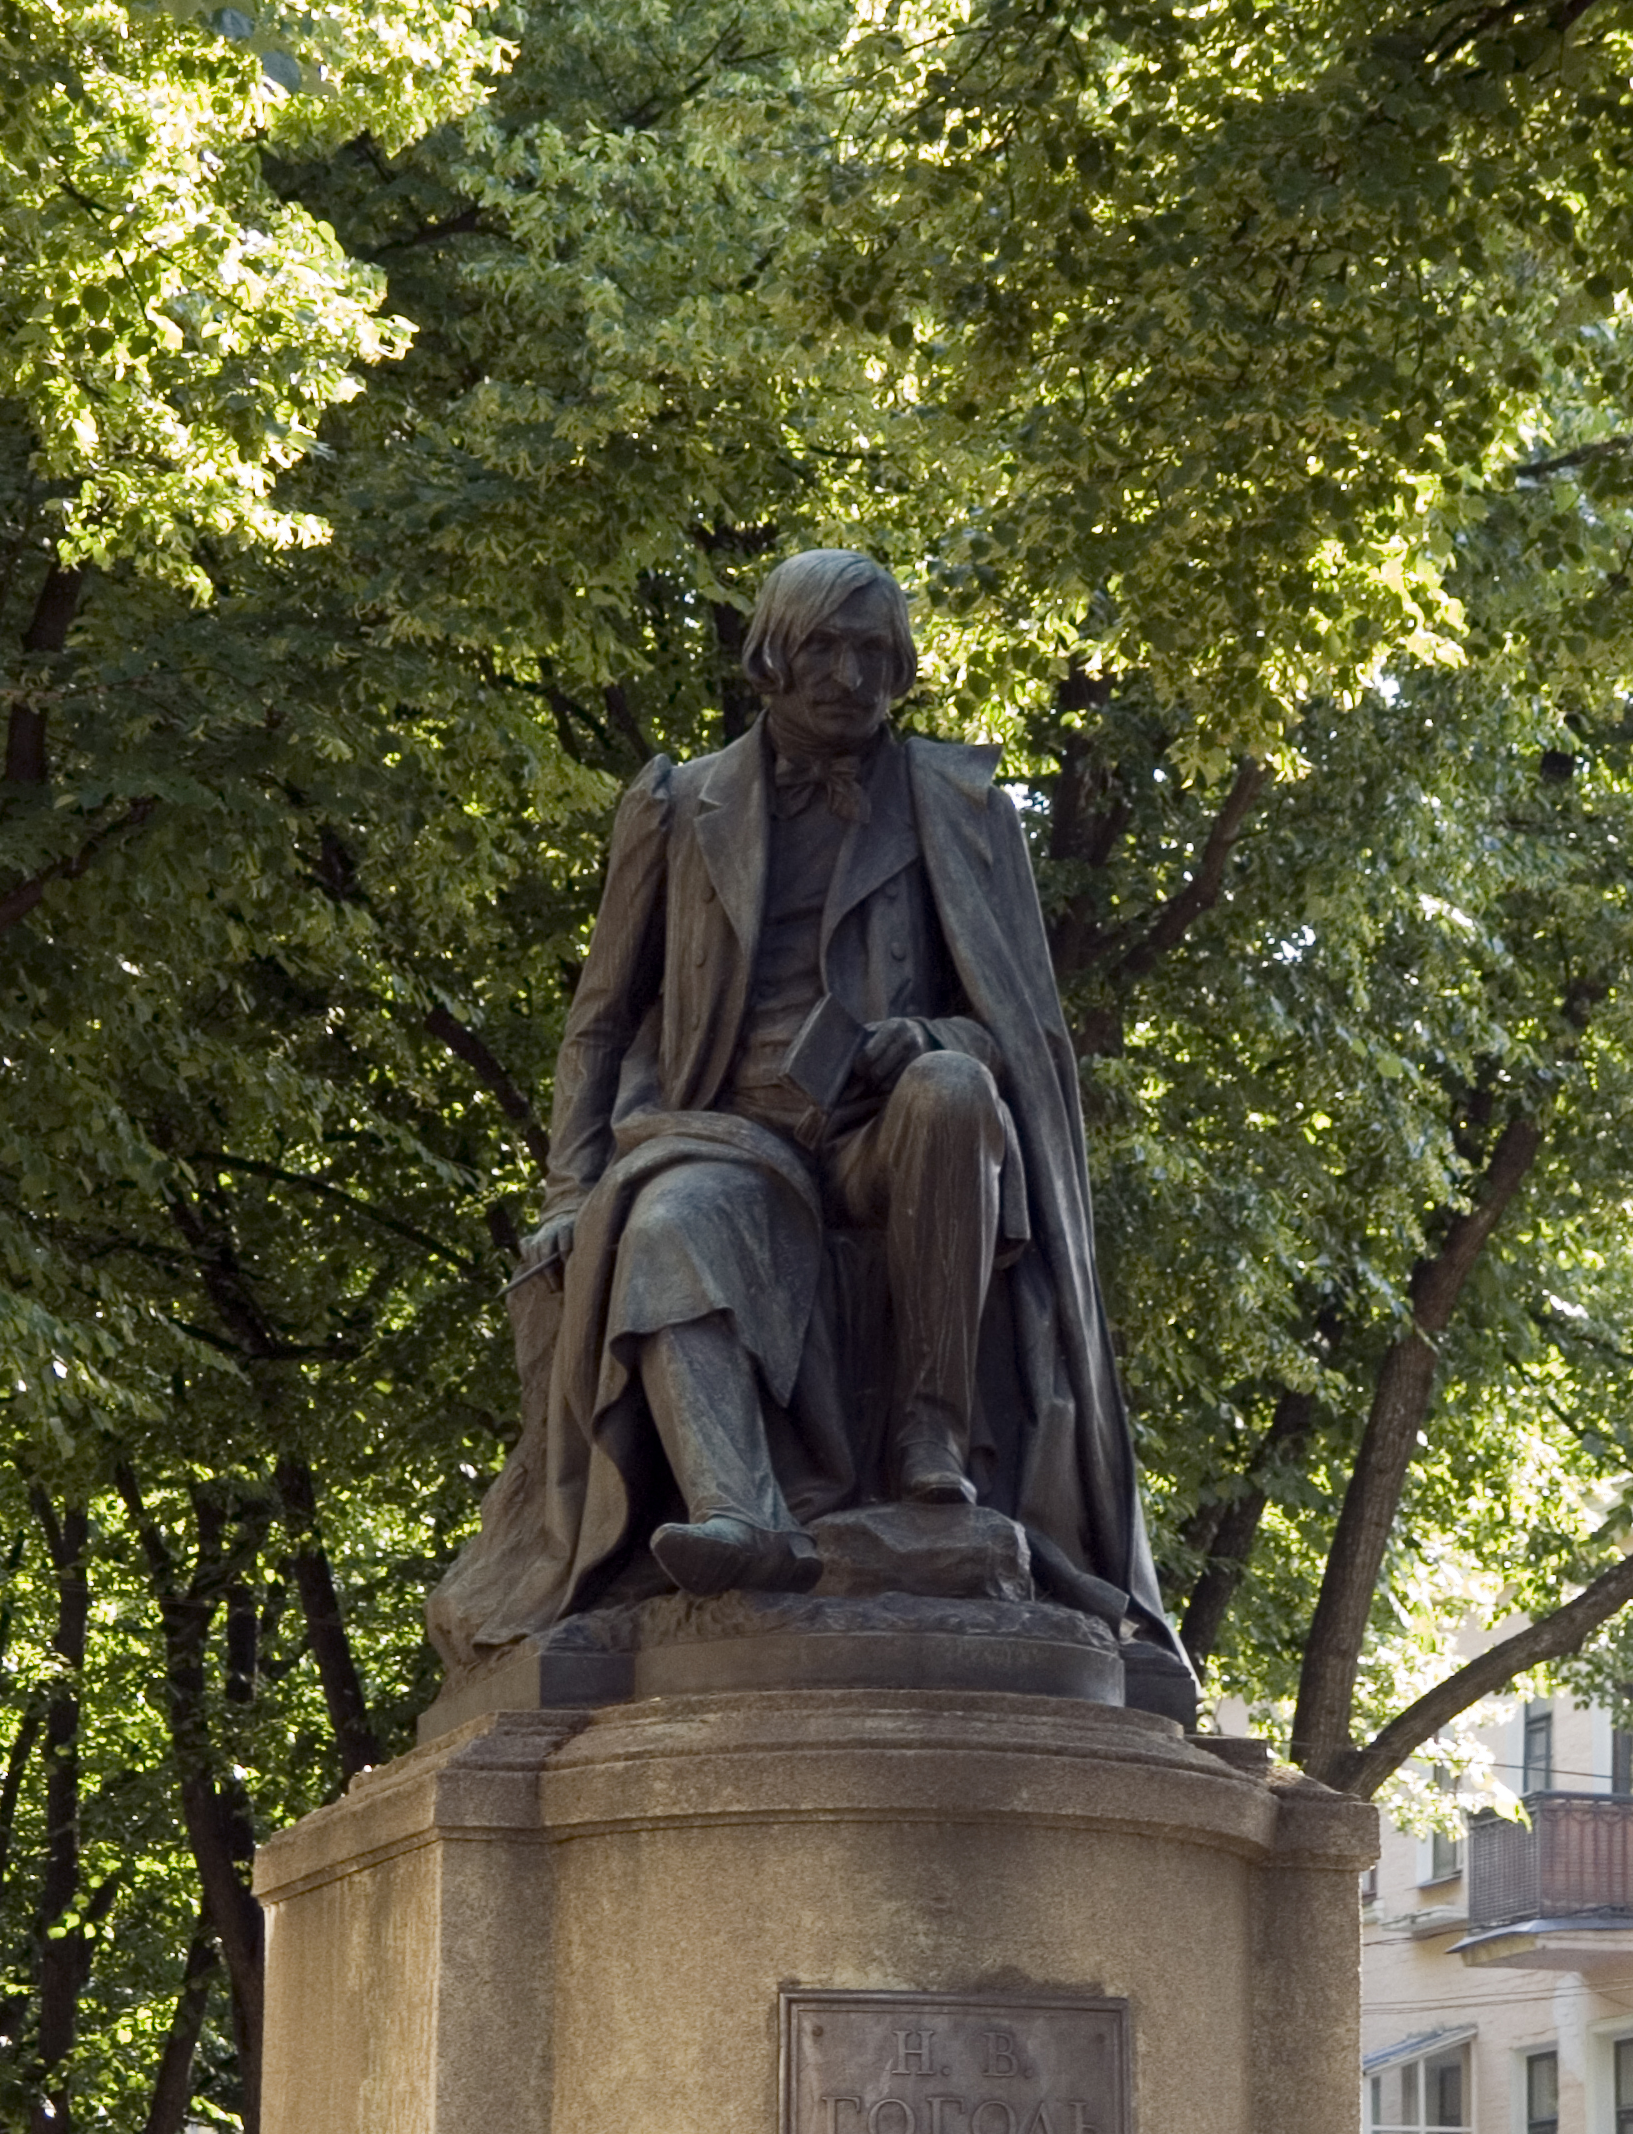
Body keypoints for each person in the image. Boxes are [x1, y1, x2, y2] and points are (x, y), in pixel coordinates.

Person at [427, 550, 1181, 1665]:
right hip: (724, 1135)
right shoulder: (680, 805)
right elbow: (599, 1018)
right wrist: (571, 1188)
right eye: (823, 646)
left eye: (872, 651)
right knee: (672, 1224)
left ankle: (934, 1430)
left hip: (884, 1128)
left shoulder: (962, 805)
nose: (847, 674)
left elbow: (1017, 1033)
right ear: (771, 656)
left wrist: (926, 1037)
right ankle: (742, 1516)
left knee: (957, 1091)